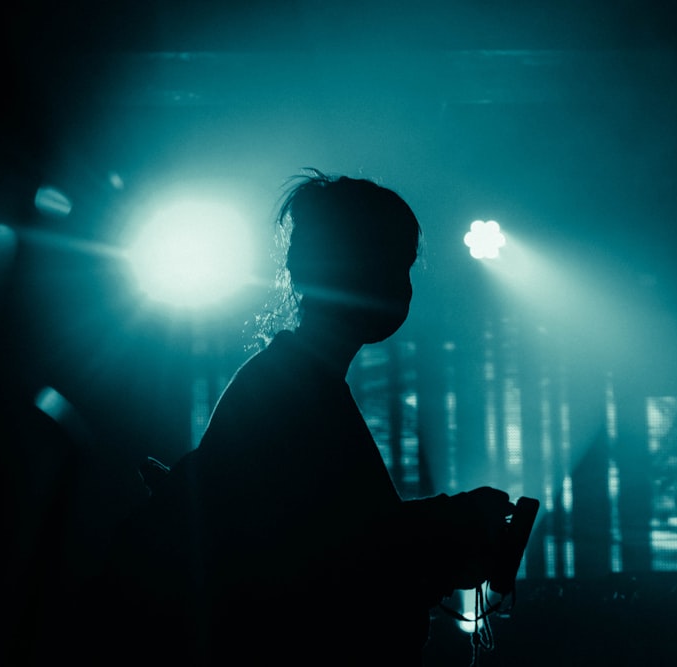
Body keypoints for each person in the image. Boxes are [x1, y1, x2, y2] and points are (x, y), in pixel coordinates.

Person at [94, 171, 515, 666]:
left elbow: (341, 533)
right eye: (390, 263)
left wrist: (447, 521)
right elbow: (336, 559)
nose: (402, 286)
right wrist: (452, 523)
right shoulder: (293, 392)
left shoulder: (294, 382)